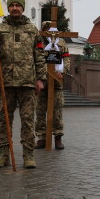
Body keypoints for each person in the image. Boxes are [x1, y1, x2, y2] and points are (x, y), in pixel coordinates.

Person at [0, 0, 46, 169]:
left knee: (28, 120)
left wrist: (40, 78)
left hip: (27, 82)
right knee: (4, 120)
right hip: (6, 81)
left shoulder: (32, 30)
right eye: (12, 5)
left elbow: (39, 55)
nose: (15, 8)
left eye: (18, 5)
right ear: (8, 8)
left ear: (22, 8)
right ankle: (3, 154)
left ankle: (28, 155)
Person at [35, 21, 70, 149]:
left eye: (52, 28)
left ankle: (58, 137)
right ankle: (41, 137)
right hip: (42, 82)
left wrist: (63, 71)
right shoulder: (39, 41)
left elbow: (66, 58)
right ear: (44, 30)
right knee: (39, 111)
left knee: (57, 112)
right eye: (47, 29)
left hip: (56, 83)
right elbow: (36, 59)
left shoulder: (60, 43)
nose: (50, 31)